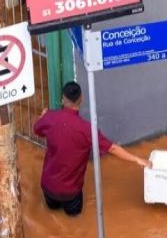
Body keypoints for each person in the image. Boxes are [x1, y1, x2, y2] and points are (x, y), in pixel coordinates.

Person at [33, 81, 150, 216]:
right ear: (81, 99)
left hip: (48, 188)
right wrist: (137, 159)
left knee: (51, 214)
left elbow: (36, 129)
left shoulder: (49, 117)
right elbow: (112, 149)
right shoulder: (87, 130)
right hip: (71, 193)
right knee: (74, 220)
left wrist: (43, 117)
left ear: (62, 99)